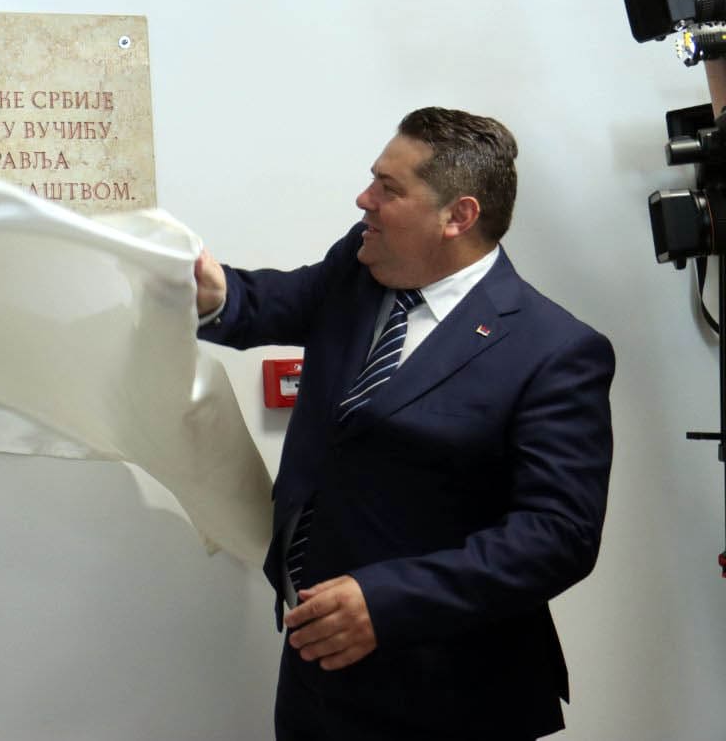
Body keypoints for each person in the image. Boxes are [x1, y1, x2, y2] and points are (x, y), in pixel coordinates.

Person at [196, 107, 615, 741]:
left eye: (388, 189)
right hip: (318, 669)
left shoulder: (554, 351)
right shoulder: (362, 264)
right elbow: (279, 301)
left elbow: (557, 536)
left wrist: (387, 601)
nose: (364, 199)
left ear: (458, 216)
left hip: (451, 691)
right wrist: (213, 291)